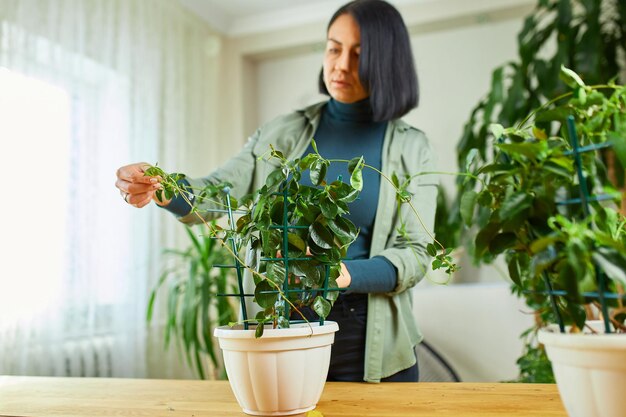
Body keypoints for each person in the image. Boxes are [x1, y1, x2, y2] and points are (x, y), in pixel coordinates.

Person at [116, 0, 437, 383]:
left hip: (368, 342)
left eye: (359, 54)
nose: (340, 65)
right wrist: (161, 185)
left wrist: (341, 274)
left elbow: (417, 254)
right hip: (281, 331)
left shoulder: (412, 148)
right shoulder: (284, 132)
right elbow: (221, 191)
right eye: (334, 48)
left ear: (386, 63)